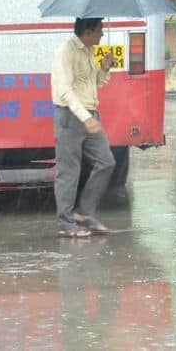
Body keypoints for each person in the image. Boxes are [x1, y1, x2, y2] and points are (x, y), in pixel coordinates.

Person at [50, 17, 116, 238]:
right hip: (70, 117)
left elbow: (91, 84)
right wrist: (86, 118)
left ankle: (84, 212)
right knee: (69, 171)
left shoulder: (88, 51)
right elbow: (66, 91)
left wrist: (104, 69)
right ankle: (66, 223)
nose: (102, 35)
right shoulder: (65, 52)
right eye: (100, 30)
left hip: (89, 115)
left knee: (106, 162)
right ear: (88, 31)